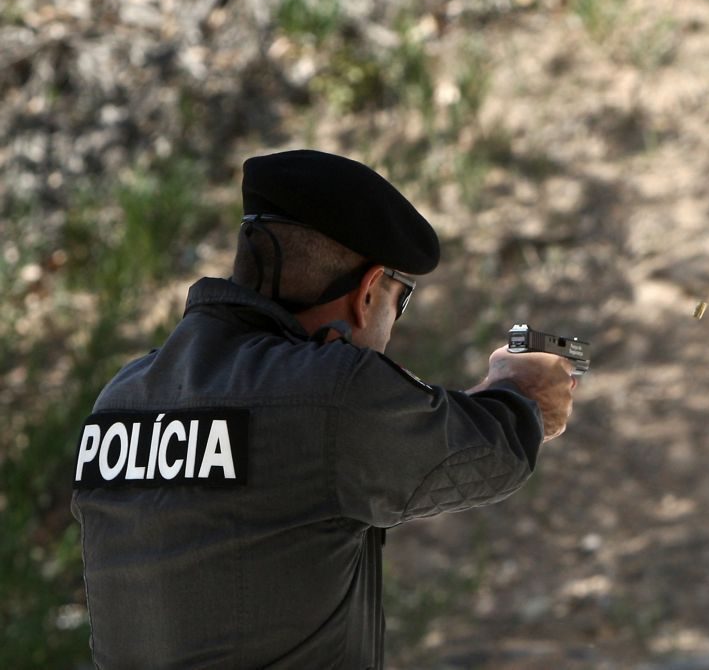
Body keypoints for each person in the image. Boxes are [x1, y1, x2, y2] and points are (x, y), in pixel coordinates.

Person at [70, 149, 577, 668]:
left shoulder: (121, 399)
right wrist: (521, 392)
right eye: (397, 301)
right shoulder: (330, 396)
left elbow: (299, 447)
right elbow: (493, 454)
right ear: (366, 292)